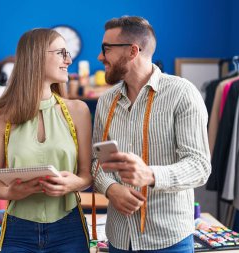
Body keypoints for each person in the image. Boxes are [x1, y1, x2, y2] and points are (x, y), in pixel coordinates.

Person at [92, 16, 211, 253]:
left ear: (132, 51)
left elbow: (199, 166)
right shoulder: (106, 101)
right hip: (118, 239)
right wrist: (111, 189)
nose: (100, 57)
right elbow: (96, 161)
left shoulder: (182, 93)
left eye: (106, 49)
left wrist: (150, 174)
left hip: (169, 241)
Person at [0, 28, 92, 253]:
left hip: (69, 227)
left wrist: (73, 183)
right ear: (36, 56)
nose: (69, 59)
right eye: (61, 53)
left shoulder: (78, 111)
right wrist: (10, 193)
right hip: (18, 230)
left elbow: (87, 174)